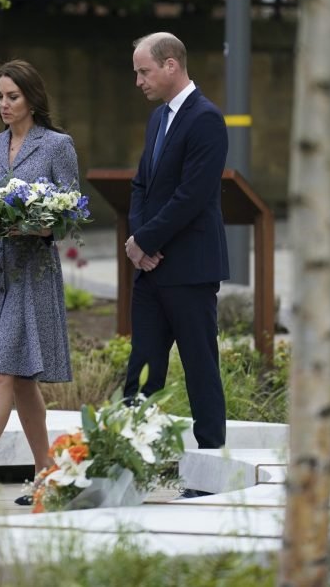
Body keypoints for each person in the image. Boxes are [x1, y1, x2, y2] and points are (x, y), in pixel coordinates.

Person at [0, 59, 78, 508]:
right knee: (22, 381)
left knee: (3, 371)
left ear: (32, 98)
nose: (4, 105)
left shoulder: (57, 145)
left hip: (34, 273)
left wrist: (41, 226)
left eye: (13, 97)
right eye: (0, 97)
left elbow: (70, 216)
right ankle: (50, 476)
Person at [123, 32, 229, 450]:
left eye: (143, 71)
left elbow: (193, 195)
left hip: (189, 269)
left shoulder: (205, 118)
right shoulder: (158, 119)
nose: (138, 81)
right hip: (151, 271)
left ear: (171, 65)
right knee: (142, 370)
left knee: (200, 368)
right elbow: (141, 185)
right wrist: (138, 241)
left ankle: (210, 467)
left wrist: (144, 241)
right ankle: (127, 460)